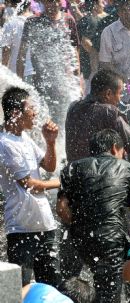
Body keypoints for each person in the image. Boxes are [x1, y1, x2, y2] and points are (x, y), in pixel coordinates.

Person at [57, 129, 130, 302]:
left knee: (71, 287)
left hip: (79, 240)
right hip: (111, 240)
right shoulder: (129, 169)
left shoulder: (71, 167)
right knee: (109, 294)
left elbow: (61, 209)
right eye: (122, 151)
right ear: (114, 148)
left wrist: (79, 226)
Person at [0, 87, 61, 287]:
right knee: (22, 288)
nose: (34, 113)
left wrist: (50, 142)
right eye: (31, 108)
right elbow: (30, 185)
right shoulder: (5, 143)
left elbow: (49, 166)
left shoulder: (24, 138)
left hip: (45, 225)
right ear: (16, 113)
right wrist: (64, 182)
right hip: (21, 228)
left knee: (51, 288)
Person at [16, 0, 80, 126]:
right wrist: (19, 83)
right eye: (49, 1)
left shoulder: (68, 20)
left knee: (64, 121)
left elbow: (75, 52)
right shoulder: (32, 22)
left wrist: (78, 82)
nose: (53, 4)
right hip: (40, 82)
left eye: (55, 1)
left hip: (64, 83)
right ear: (43, 2)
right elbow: (22, 54)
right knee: (43, 121)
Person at [77, 0, 108, 93]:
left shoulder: (88, 18)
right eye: (101, 2)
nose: (104, 3)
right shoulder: (92, 20)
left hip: (90, 68)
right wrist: (99, 56)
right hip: (91, 68)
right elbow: (85, 42)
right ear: (94, 5)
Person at [0, 0, 34, 80]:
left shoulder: (11, 23)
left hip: (16, 74)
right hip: (36, 71)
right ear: (29, 5)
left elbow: (6, 52)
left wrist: (3, 76)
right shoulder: (36, 22)